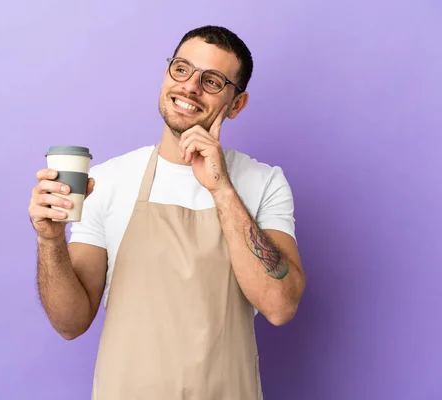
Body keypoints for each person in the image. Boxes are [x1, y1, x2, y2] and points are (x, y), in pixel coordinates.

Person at [28, 25, 306, 400]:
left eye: (211, 81)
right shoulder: (108, 181)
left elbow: (280, 305)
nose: (190, 87)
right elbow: (70, 322)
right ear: (166, 75)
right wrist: (50, 239)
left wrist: (221, 188)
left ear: (237, 104)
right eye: (181, 69)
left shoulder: (264, 182)